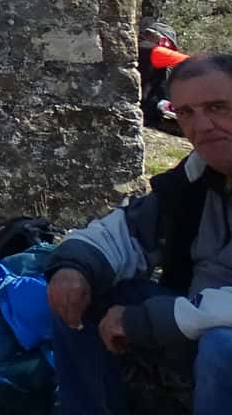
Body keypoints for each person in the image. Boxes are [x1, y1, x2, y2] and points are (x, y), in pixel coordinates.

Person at [46, 53, 232, 414]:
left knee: (223, 345)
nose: (202, 125)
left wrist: (147, 320)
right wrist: (75, 265)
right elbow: (128, 231)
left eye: (217, 107)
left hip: (216, 333)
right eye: (187, 113)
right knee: (74, 291)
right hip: (193, 314)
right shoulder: (197, 176)